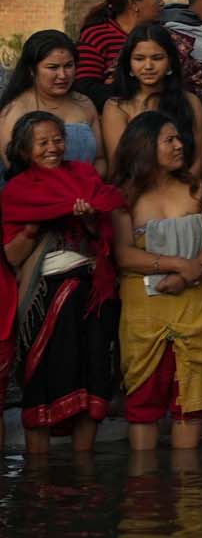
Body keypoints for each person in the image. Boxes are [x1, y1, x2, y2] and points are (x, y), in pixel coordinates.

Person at [3, 112, 123, 453]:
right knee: (43, 380)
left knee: (92, 375)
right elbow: (11, 257)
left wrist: (87, 220)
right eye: (43, 143)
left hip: (92, 295)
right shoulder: (18, 191)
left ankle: (84, 469)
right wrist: (33, 226)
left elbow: (104, 235)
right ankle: (38, 473)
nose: (53, 148)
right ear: (25, 151)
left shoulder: (84, 176)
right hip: (47, 299)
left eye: (58, 140)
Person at [113, 113, 202, 452]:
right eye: (169, 140)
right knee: (143, 400)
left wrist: (194, 271)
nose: (179, 146)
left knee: (192, 400)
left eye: (179, 138)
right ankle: (144, 495)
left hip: (196, 306)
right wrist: (177, 266)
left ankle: (190, 495)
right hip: (144, 312)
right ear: (145, 147)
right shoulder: (123, 198)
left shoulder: (198, 189)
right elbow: (124, 255)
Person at [75, 0, 199, 105]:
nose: (162, 2)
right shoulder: (97, 35)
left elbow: (187, 79)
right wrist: (136, 94)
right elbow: (85, 87)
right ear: (134, 4)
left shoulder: (166, 36)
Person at [100, 23, 202, 170]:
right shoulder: (117, 107)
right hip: (137, 189)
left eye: (157, 58)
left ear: (170, 63)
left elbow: (200, 159)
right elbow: (118, 166)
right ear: (129, 64)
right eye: (139, 58)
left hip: (186, 187)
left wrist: (183, 190)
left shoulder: (190, 102)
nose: (148, 66)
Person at [2, 32, 104, 174]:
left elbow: (100, 159)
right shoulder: (15, 111)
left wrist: (86, 186)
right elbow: (14, 169)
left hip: (88, 190)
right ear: (32, 70)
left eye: (68, 66)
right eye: (53, 67)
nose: (63, 75)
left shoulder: (84, 103)